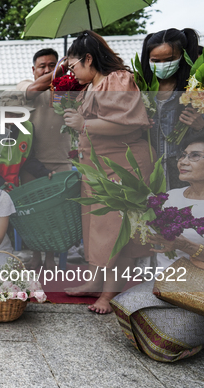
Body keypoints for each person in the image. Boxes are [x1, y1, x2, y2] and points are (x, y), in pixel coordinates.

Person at [62, 30, 155, 314]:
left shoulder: (118, 80)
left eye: (74, 65)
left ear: (88, 59)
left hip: (123, 167)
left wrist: (83, 124)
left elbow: (130, 124)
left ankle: (108, 293)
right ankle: (94, 283)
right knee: (95, 228)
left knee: (117, 231)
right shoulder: (92, 85)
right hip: (97, 168)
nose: (72, 72)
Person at [110, 134, 204, 362]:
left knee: (163, 345)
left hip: (198, 289)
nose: (183, 161)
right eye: (183, 155)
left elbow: (180, 244)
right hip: (166, 284)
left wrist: (187, 246)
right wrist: (126, 204)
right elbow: (153, 236)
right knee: (124, 305)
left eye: (195, 156)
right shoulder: (171, 197)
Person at [16, 48, 73, 271]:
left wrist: (66, 80)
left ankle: (51, 257)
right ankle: (36, 255)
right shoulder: (25, 84)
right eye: (43, 66)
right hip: (30, 162)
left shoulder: (67, 89)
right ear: (33, 69)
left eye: (52, 65)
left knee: (56, 215)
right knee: (33, 213)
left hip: (61, 161)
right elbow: (33, 89)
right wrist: (61, 69)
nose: (47, 69)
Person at [141, 28, 203, 190]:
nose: (162, 66)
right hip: (150, 173)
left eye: (169, 59)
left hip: (187, 178)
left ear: (183, 57)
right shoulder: (141, 89)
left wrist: (201, 126)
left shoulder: (196, 89)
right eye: (155, 60)